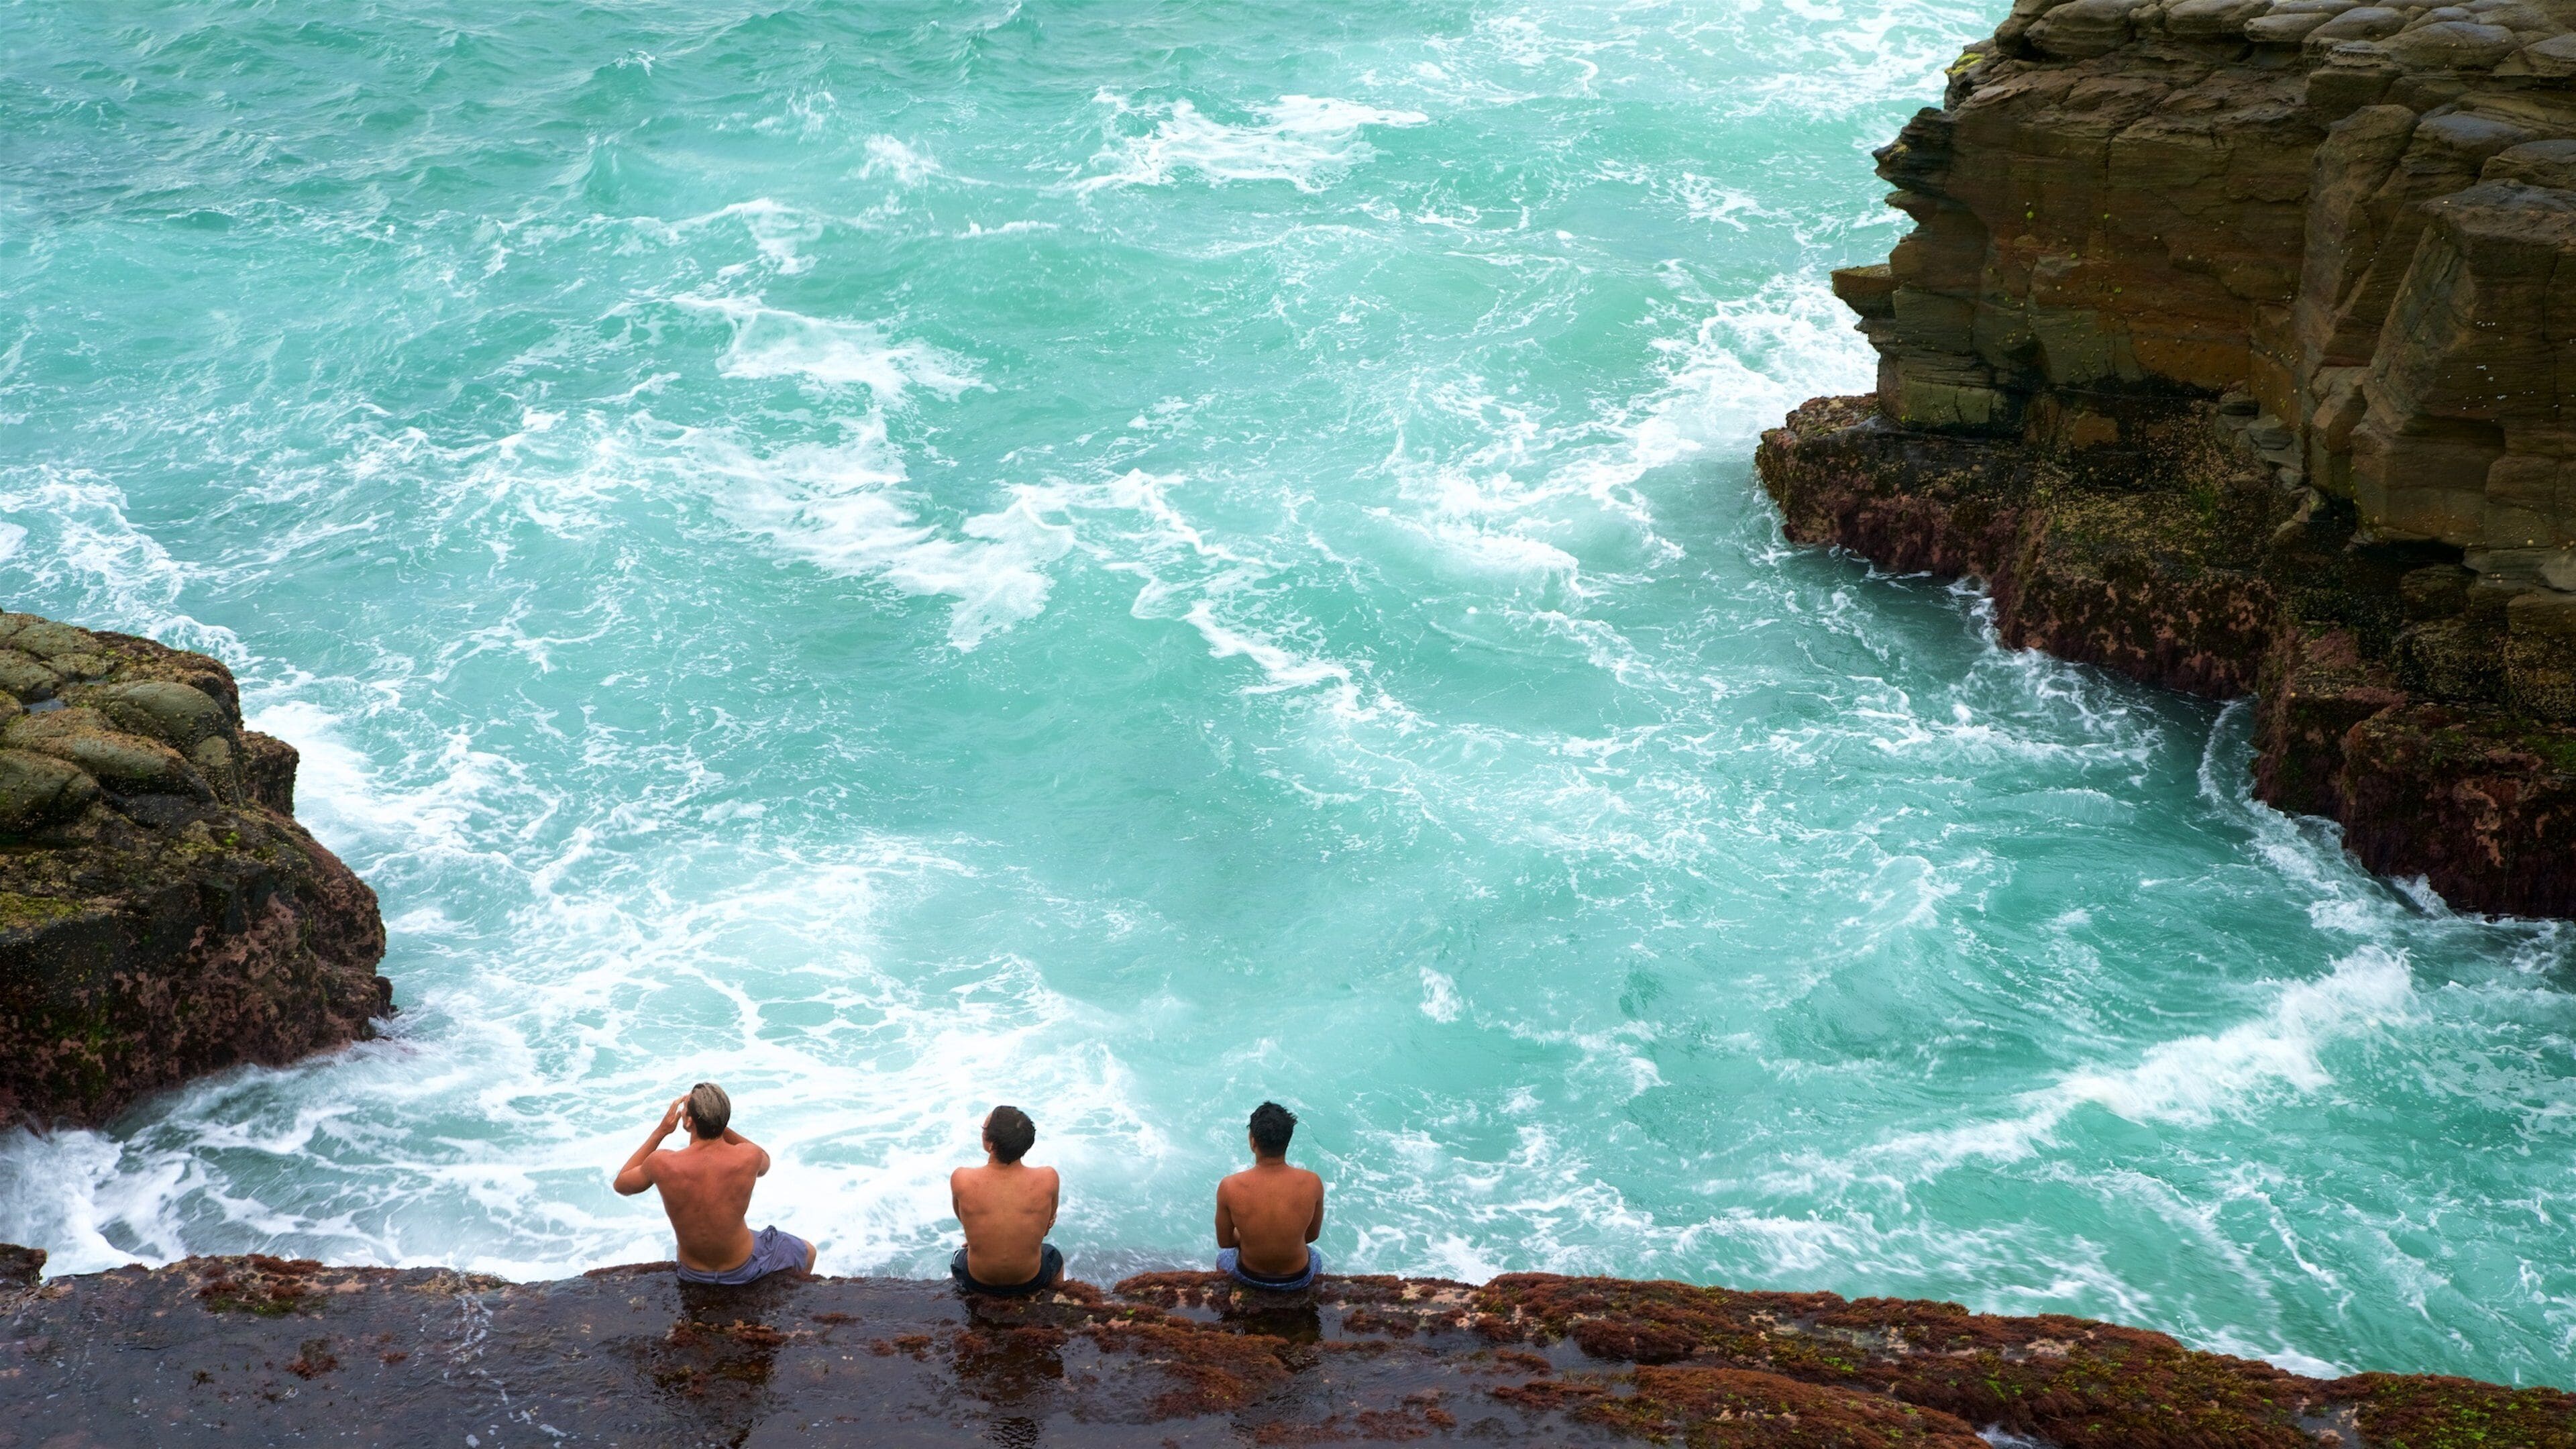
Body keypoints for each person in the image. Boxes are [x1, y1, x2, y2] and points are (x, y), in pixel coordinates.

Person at [612, 1081, 814, 1286]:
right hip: (743, 1268)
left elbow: (621, 1184)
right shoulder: (749, 1156)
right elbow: (765, 1162)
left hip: (691, 1272)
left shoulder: (661, 1163)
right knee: (809, 1252)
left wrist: (661, 1131)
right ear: (724, 1119)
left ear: (689, 1121)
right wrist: (719, 1124)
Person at [949, 1104, 1063, 1295]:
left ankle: (961, 1301)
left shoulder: (962, 1178)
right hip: (1030, 1280)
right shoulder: (1048, 1178)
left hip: (978, 1281)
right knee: (1054, 1255)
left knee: (958, 1258)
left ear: (991, 1144)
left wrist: (979, 1239)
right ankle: (1057, 1298)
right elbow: (1044, 1230)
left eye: (984, 1129)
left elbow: (965, 1221)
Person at [1215, 1100, 1324, 1290]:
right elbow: (1311, 1236)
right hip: (1297, 1279)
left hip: (1250, 1276)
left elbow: (1225, 1242)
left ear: (1253, 1141)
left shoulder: (1229, 1186)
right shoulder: (1312, 1182)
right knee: (1316, 1257)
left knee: (1223, 1258)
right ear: (1287, 1141)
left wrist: (1251, 1235)